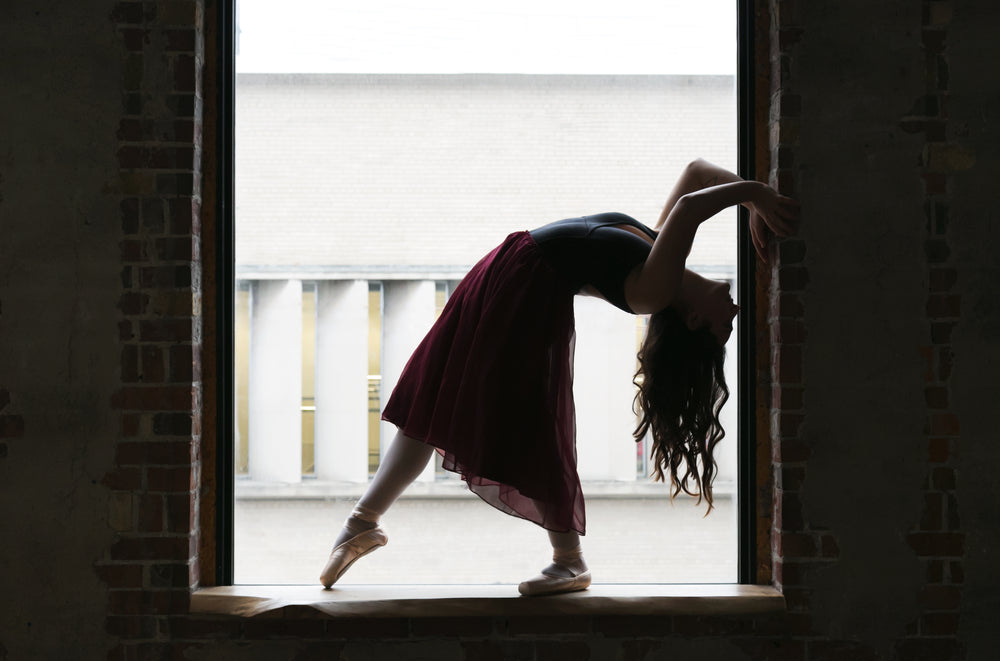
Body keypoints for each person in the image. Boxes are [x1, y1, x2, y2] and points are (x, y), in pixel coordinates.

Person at [319, 159, 799, 595]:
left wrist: (753, 195)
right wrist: (754, 199)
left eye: (725, 324)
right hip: (506, 270)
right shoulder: (658, 257)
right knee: (437, 396)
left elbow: (695, 206)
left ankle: (567, 560)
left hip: (521, 288)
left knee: (515, 415)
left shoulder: (654, 291)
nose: (736, 308)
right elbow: (695, 176)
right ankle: (366, 520)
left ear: (694, 321)